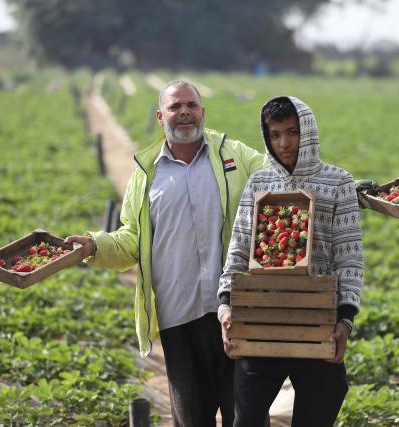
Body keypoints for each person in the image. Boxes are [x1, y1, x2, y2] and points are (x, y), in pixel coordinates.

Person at [65, 80, 267, 427]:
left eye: (191, 104)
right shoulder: (146, 177)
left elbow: (279, 177)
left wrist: (334, 186)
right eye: (175, 106)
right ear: (161, 117)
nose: (184, 112)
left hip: (237, 313)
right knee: (191, 419)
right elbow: (131, 240)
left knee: (247, 417)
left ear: (203, 112)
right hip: (179, 318)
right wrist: (94, 246)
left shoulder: (235, 156)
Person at [217, 96, 364, 427]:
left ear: (307, 133)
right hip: (262, 317)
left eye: (292, 132)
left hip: (316, 319)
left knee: (320, 407)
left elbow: (349, 256)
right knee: (247, 417)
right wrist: (225, 306)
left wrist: (345, 318)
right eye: (275, 134)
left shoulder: (338, 182)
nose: (284, 143)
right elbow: (239, 251)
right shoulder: (259, 183)